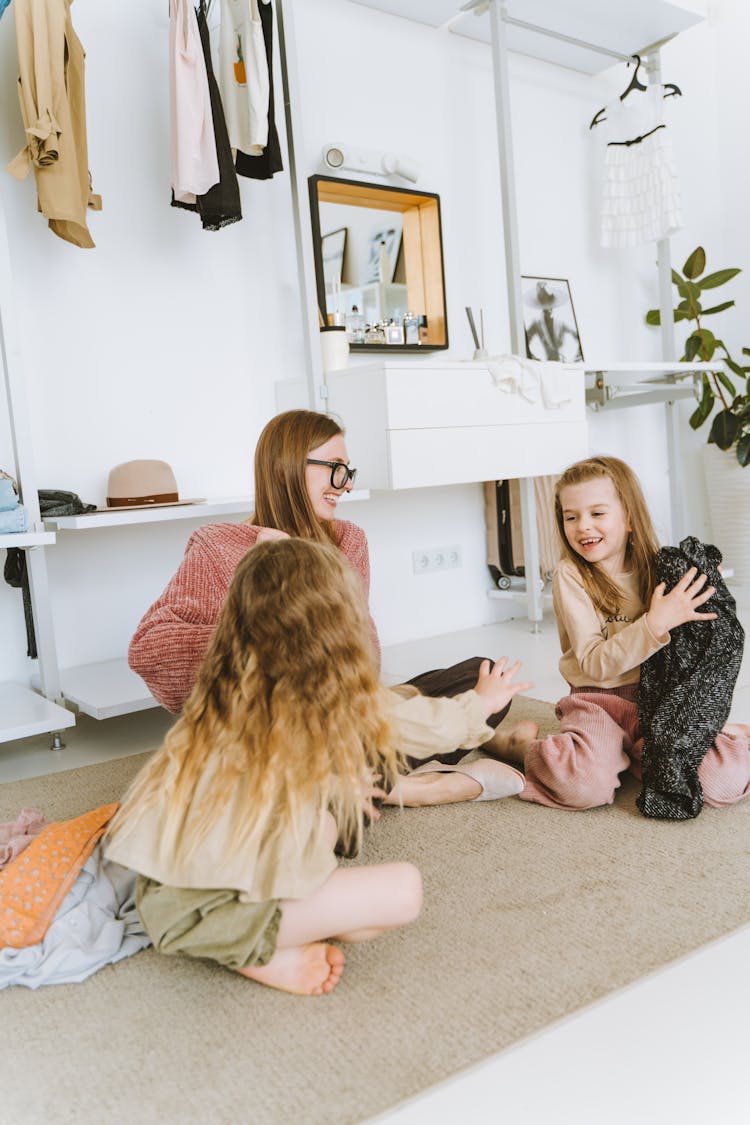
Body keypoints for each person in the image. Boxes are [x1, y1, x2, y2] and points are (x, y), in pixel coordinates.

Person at [129, 409, 534, 806]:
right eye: (335, 468)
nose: (345, 485)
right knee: (319, 806)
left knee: (481, 676)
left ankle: (389, 771)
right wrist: (261, 624)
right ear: (285, 467)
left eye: (348, 471)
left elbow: (364, 659)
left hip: (340, 718)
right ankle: (419, 784)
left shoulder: (348, 541)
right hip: (262, 736)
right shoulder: (219, 544)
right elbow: (149, 651)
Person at [104, 538, 423, 996]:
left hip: (179, 894)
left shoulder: (235, 698)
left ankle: (274, 934)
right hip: (189, 914)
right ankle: (254, 948)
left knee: (342, 858)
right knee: (403, 891)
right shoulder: (263, 731)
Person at [502, 455, 750, 811]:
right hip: (596, 699)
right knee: (581, 787)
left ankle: (636, 752)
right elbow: (592, 663)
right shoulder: (571, 576)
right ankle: (519, 747)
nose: (583, 526)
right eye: (571, 517)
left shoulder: (658, 566)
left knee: (721, 781)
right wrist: (654, 623)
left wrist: (706, 579)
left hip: (659, 699)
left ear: (629, 518)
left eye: (597, 513)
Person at [524, 281, 583, 363]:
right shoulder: (537, 324)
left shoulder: (561, 322)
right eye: (544, 302)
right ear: (540, 304)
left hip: (564, 364)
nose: (548, 307)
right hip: (547, 366)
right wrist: (534, 360)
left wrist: (577, 358)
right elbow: (524, 342)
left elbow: (579, 338)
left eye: (549, 301)